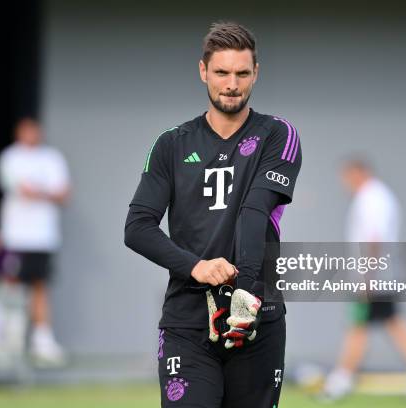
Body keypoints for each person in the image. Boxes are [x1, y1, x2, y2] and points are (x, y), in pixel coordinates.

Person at [125, 22, 302, 408]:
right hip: (188, 322)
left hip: (257, 316)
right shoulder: (171, 143)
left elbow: (255, 210)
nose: (232, 84)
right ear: (203, 71)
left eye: (242, 73)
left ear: (256, 73)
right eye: (222, 72)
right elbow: (137, 228)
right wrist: (197, 267)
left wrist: (245, 291)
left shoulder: (278, 134)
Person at [323, 158, 406, 399]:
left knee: (362, 325)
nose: (345, 184)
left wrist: (366, 275)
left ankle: (340, 382)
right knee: (385, 323)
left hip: (374, 276)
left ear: (358, 173)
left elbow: (374, 238)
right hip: (379, 274)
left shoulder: (372, 199)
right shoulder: (375, 197)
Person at [0, 118, 70, 365]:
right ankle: (7, 341)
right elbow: (22, 190)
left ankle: (42, 341)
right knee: (11, 285)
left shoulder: (52, 158)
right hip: (15, 236)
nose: (31, 134)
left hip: (43, 237)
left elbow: (63, 193)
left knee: (40, 286)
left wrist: (40, 192)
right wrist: (46, 192)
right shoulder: (10, 158)